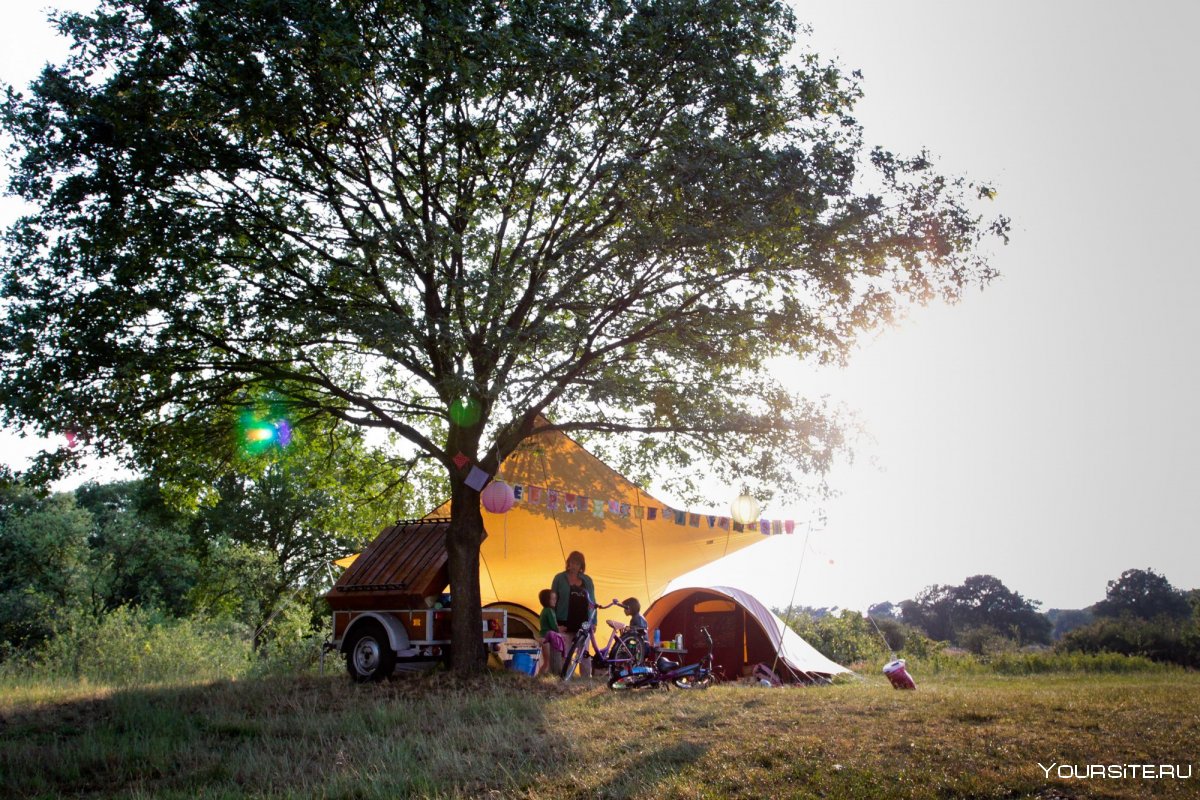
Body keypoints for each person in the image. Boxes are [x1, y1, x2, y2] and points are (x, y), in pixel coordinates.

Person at [551, 551, 596, 676]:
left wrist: (594, 621)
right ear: (568, 563)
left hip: (583, 621)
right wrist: (554, 622)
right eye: (572, 562)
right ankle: (566, 677)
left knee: (584, 652)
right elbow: (552, 600)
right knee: (564, 651)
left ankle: (586, 679)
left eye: (577, 563)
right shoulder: (559, 578)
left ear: (581, 565)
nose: (574, 565)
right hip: (563, 620)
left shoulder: (587, 580)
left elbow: (592, 601)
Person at [537, 589, 565, 676]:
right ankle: (539, 678)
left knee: (546, 662)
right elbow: (553, 626)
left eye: (555, 599)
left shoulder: (544, 610)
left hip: (543, 637)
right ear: (547, 600)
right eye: (553, 599)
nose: (555, 601)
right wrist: (561, 629)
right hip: (547, 638)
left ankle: (539, 677)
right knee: (548, 662)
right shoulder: (549, 611)